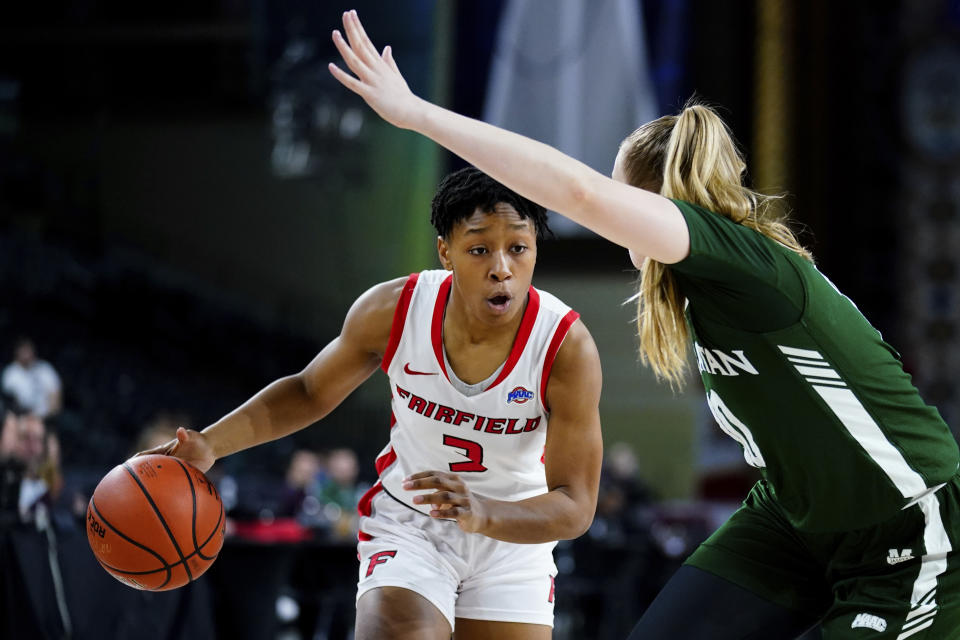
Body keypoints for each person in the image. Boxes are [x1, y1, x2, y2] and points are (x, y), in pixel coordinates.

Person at [327, 10, 960, 639]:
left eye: (621, 193)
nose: (611, 213)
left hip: (908, 528)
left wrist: (417, 115)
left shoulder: (746, 262)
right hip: (794, 521)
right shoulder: (700, 292)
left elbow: (577, 194)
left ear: (651, 203)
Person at [143, 166, 603, 640]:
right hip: (413, 525)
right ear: (445, 250)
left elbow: (575, 505)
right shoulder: (393, 310)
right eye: (480, 248)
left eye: (518, 248)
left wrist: (484, 512)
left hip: (512, 537)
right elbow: (307, 391)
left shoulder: (566, 348)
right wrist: (211, 445)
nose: (501, 267)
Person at [1, 338, 62, 420]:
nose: (27, 354)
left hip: (45, 417)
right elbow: (10, 402)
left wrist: (49, 418)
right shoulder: (10, 373)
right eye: (23, 350)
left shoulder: (45, 368)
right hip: (21, 418)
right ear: (17, 352)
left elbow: (55, 395)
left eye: (28, 350)